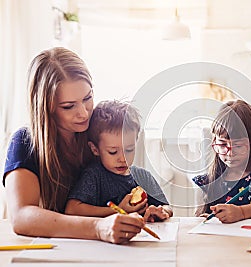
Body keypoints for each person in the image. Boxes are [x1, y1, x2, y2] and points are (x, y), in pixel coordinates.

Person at [3, 47, 145, 244]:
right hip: (52, 249)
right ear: (46, 107)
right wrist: (97, 227)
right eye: (68, 106)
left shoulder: (98, 133)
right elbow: (21, 217)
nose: (84, 113)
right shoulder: (25, 142)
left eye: (87, 98)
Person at [65, 100, 172, 222]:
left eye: (129, 150)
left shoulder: (143, 176)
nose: (123, 159)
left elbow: (167, 207)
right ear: (95, 149)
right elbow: (72, 210)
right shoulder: (94, 175)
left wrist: (160, 212)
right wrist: (117, 210)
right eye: (113, 152)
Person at [193, 100, 251, 223]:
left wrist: (241, 212)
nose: (230, 153)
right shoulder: (207, 182)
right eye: (223, 144)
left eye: (238, 146)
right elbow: (200, 217)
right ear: (214, 142)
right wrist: (203, 219)